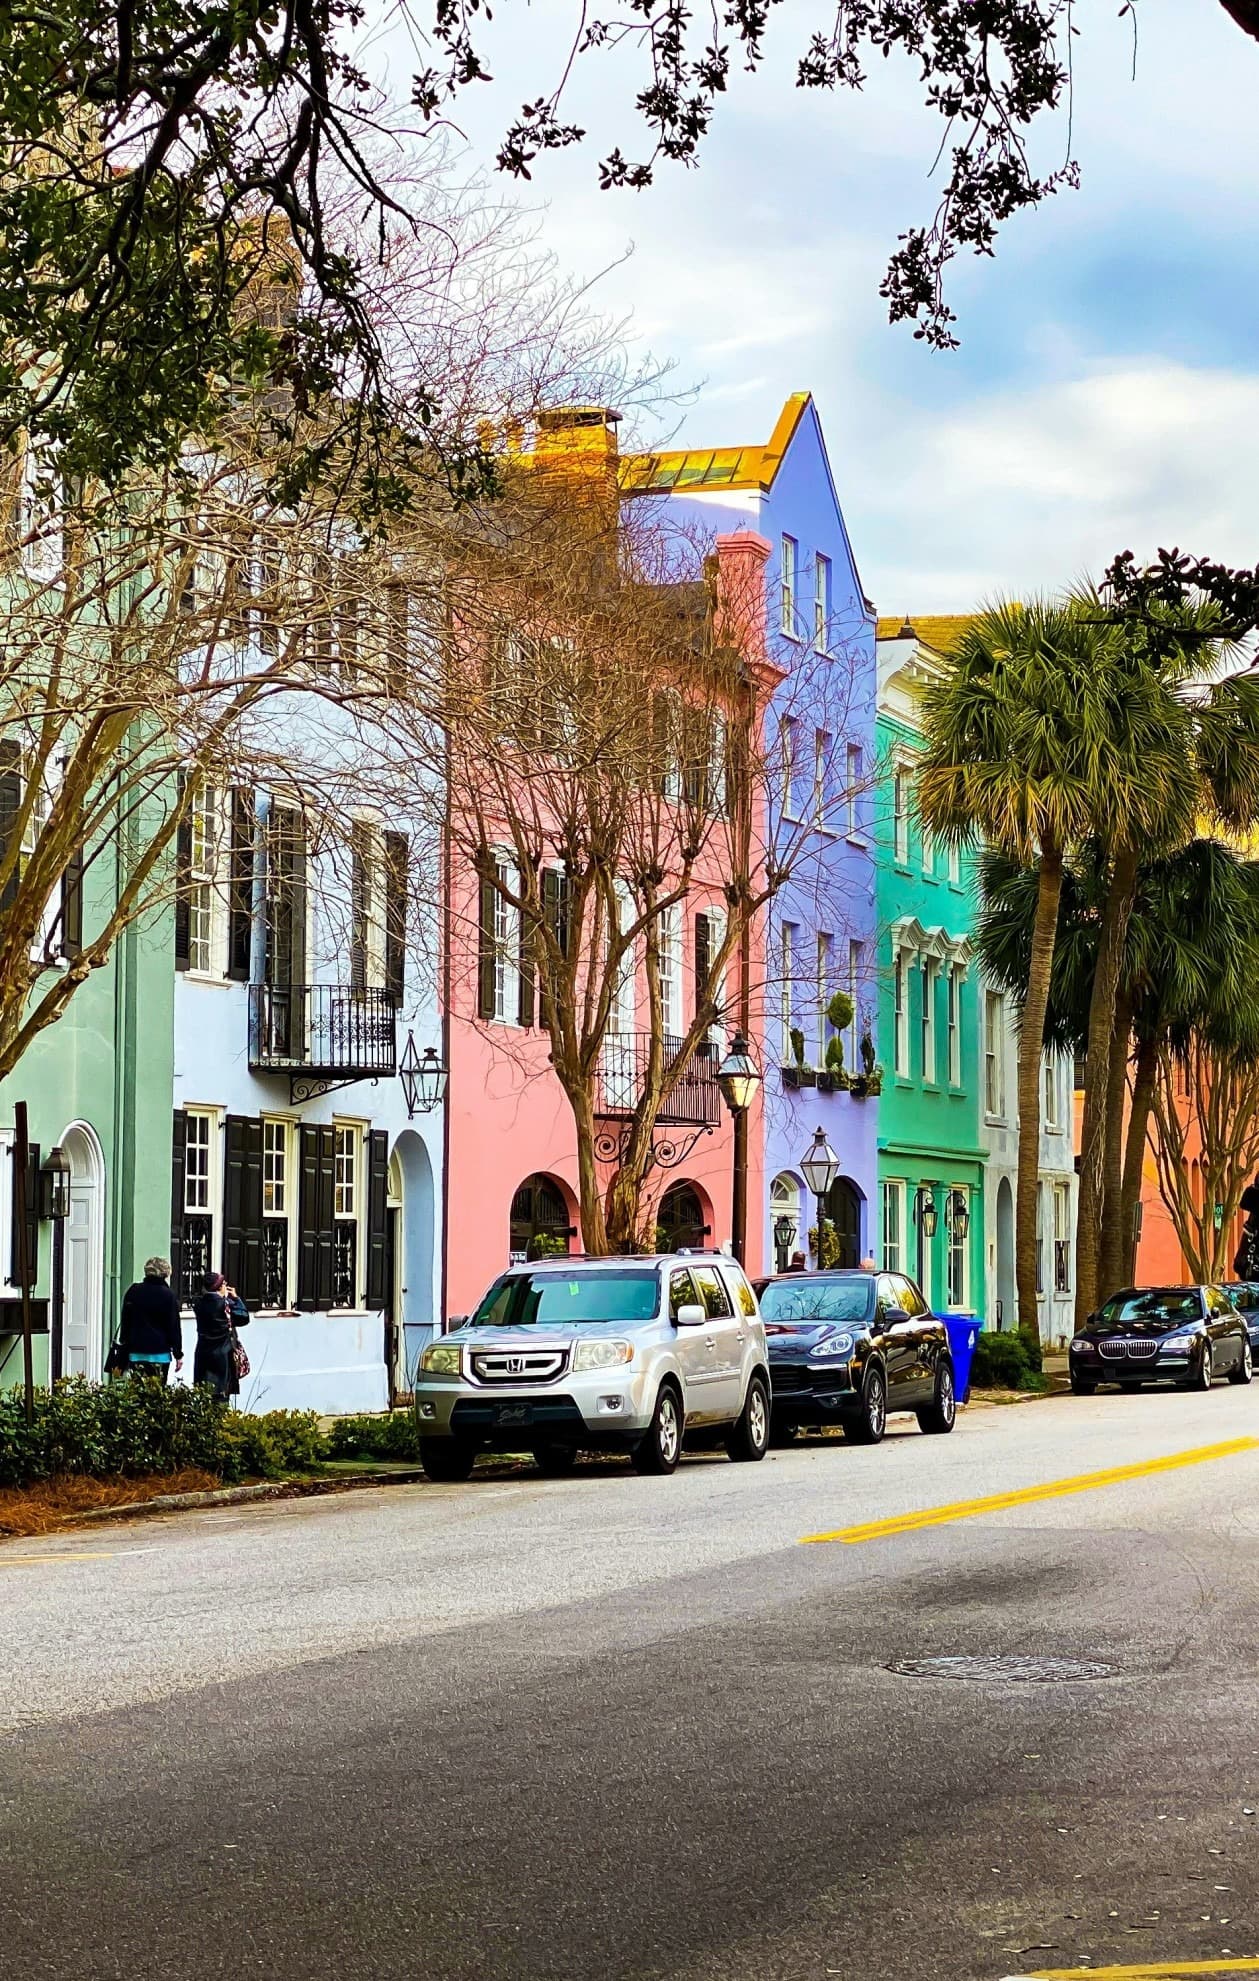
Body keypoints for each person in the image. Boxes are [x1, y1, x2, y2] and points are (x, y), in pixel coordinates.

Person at [118, 1257, 183, 1383]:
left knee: (137, 1393)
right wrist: (178, 1354)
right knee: (156, 1394)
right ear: (165, 1273)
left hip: (136, 1351)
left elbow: (126, 1320)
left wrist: (124, 1343)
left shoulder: (134, 1291)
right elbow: (173, 1327)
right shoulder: (168, 1295)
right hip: (161, 1353)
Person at [193, 1272, 250, 1402]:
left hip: (203, 1353)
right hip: (223, 1354)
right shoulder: (225, 1305)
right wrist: (236, 1299)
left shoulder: (199, 1304)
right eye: (224, 1284)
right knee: (221, 1394)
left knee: (204, 1392)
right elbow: (243, 1318)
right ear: (219, 1287)